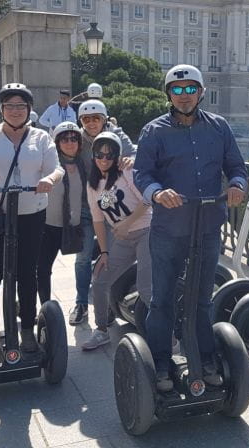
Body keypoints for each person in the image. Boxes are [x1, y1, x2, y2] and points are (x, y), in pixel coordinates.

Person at [134, 64, 247, 392]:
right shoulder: (154, 131)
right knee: (162, 299)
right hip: (169, 228)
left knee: (201, 299)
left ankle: (204, 356)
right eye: (177, 89)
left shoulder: (219, 127)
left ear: (200, 92)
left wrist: (238, 184)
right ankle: (160, 363)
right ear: (169, 94)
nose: (184, 95)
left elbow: (236, 166)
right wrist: (157, 192)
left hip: (208, 226)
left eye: (190, 89)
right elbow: (142, 174)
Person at [0, 83, 63, 360]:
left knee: (27, 273)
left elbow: (56, 169)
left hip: (31, 213)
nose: (16, 111)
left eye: (21, 106)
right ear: (2, 109)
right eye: (10, 106)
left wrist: (48, 179)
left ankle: (28, 330)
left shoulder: (41, 138)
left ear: (29, 110)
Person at [67, 98, 136, 325]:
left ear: (104, 119)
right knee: (83, 257)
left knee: (114, 258)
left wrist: (129, 160)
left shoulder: (117, 136)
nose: (91, 123)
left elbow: (136, 156)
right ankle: (81, 303)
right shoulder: (76, 139)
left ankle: (109, 303)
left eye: (96, 118)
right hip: (87, 206)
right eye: (86, 119)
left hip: (112, 206)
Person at [82, 132, 152, 351]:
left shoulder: (126, 172)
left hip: (146, 231)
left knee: (146, 289)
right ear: (93, 156)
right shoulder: (94, 184)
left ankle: (170, 339)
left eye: (110, 154)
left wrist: (125, 223)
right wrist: (104, 252)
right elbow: (98, 219)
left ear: (117, 156)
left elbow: (146, 201)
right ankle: (101, 330)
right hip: (123, 239)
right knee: (100, 281)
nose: (104, 159)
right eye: (100, 154)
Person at [37, 121, 86, 307]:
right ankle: (45, 308)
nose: (70, 142)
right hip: (47, 226)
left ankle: (84, 304)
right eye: (64, 139)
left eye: (74, 138)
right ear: (57, 142)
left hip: (73, 226)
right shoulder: (48, 165)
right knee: (42, 269)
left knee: (86, 264)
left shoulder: (85, 165)